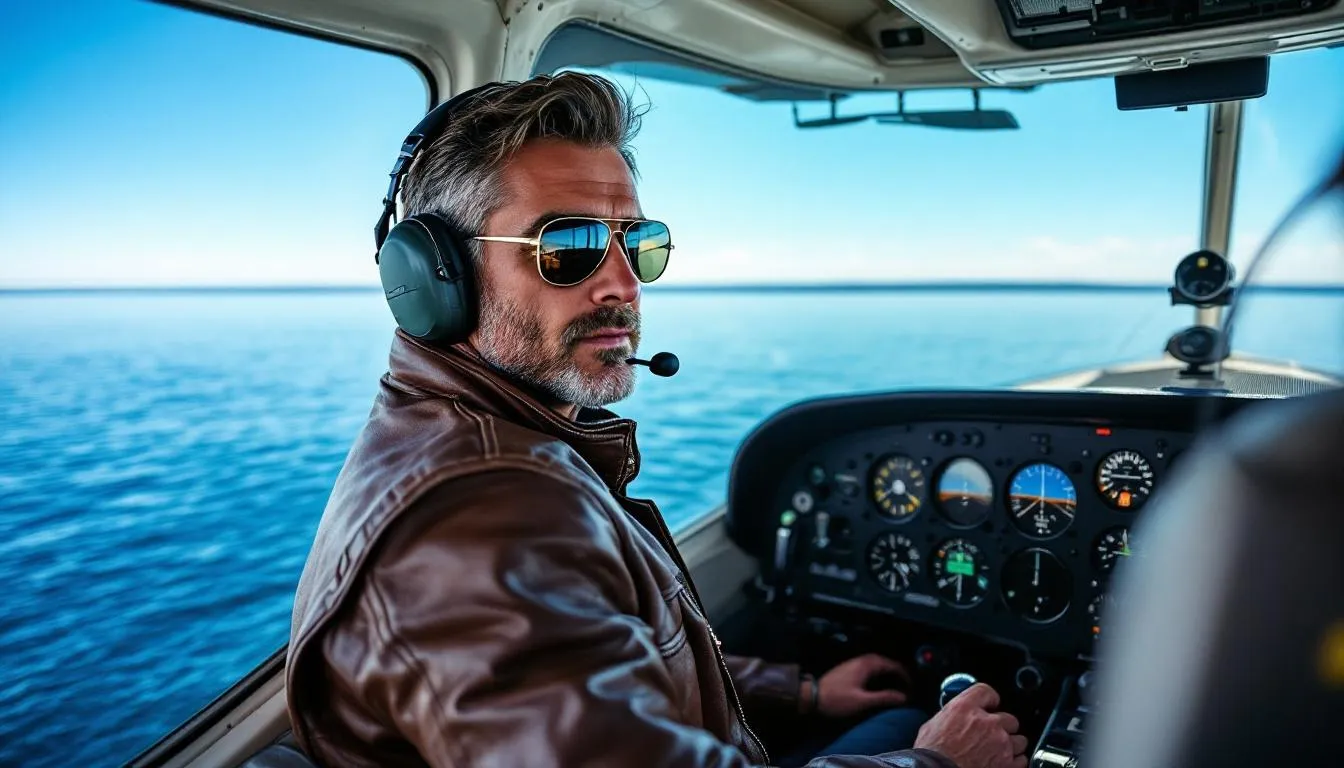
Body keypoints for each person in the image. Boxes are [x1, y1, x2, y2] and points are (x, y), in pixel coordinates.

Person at [284, 71, 1026, 768]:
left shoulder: (478, 439)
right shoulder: (478, 523)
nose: (623, 284)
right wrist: (934, 762)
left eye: (638, 243)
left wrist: (803, 692)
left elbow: (622, 660)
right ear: (436, 276)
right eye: (566, 246)